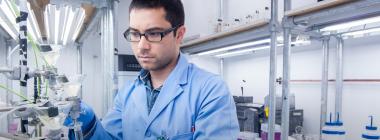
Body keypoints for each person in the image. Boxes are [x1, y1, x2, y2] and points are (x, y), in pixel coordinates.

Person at [66, 0, 239, 139]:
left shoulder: (211, 91)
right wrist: (90, 126)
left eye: (154, 33)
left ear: (179, 34)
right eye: (134, 34)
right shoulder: (127, 94)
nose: (141, 46)